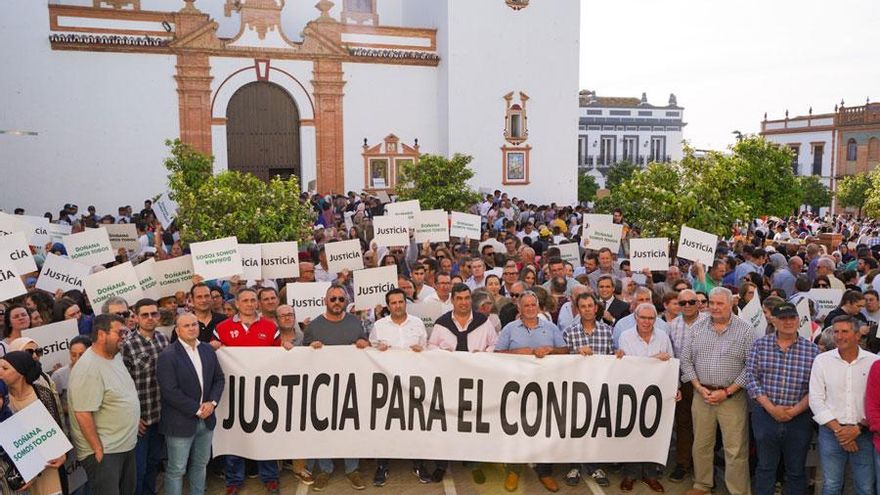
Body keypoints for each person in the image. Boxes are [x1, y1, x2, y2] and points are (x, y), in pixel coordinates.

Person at [680, 287, 754, 495]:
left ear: (731, 304)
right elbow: (685, 360)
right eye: (711, 303)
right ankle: (702, 485)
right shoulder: (697, 327)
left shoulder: (746, 330)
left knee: (735, 449)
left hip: (732, 397)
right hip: (701, 395)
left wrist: (728, 391)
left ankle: (738, 490)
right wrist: (698, 387)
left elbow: (752, 367)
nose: (714, 307)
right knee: (701, 444)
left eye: (720, 303)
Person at [495, 291, 568, 493]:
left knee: (545, 430)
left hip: (546, 389)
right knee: (516, 430)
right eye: (525, 305)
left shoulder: (550, 327)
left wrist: (551, 350)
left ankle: (545, 472)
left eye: (533, 305)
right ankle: (514, 470)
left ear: (538, 307)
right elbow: (496, 355)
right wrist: (517, 353)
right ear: (519, 308)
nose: (529, 309)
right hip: (516, 389)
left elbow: (565, 351)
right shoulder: (509, 329)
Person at [212, 288, 281, 494]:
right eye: (245, 300)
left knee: (265, 433)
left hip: (264, 392)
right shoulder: (222, 328)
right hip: (234, 393)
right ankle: (234, 480)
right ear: (237, 304)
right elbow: (213, 360)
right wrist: (212, 347)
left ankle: (270, 477)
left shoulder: (270, 327)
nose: (250, 304)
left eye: (253, 300)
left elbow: (281, 359)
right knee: (235, 435)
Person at [427, 283, 497, 484]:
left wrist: (484, 355)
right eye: (460, 298)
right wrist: (442, 354)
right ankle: (442, 464)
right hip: (449, 381)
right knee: (446, 421)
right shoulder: (441, 323)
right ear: (452, 300)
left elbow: (494, 343)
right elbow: (431, 346)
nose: (464, 302)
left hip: (476, 380)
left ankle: (473, 462)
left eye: (467, 298)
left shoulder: (483, 322)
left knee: (473, 421)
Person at [746, 302, 818, 495]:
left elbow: (816, 388)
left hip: (799, 418)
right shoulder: (760, 345)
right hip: (765, 416)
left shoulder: (812, 350)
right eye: (783, 318)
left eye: (792, 318)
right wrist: (771, 408)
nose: (788, 322)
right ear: (774, 321)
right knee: (765, 467)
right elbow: (751, 378)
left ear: (798, 320)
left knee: (796, 471)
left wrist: (794, 411)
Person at [303, 284, 369, 491]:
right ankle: (325, 469)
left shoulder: (355, 322)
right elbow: (303, 356)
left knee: (351, 427)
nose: (337, 303)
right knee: (324, 428)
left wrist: (362, 342)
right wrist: (310, 349)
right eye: (333, 299)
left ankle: (352, 469)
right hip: (322, 389)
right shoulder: (314, 326)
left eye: (341, 299)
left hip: (351, 386)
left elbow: (365, 345)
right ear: (325, 301)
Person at [68, 314, 140, 495]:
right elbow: (83, 413)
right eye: (120, 332)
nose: (124, 337)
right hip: (106, 452)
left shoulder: (114, 356)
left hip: (123, 445)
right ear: (101, 334)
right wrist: (98, 450)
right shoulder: (88, 368)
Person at [809, 315, 879, 495]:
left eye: (845, 331)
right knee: (831, 485)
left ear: (857, 336)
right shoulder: (822, 361)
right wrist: (840, 432)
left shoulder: (873, 362)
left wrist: (857, 429)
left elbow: (875, 401)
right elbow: (816, 399)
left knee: (865, 487)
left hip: (863, 433)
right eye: (836, 332)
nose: (839, 336)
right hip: (831, 432)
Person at [156, 313, 225, 495]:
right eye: (186, 326)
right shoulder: (168, 355)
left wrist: (212, 403)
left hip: (207, 419)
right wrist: (196, 409)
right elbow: (170, 391)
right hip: (180, 422)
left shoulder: (207, 350)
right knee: (177, 469)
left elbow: (219, 379)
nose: (192, 328)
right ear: (177, 330)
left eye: (194, 324)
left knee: (201, 464)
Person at [369, 289, 428, 487]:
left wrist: (422, 351)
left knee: (414, 423)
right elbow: (370, 353)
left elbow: (427, 351)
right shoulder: (379, 326)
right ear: (388, 306)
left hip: (413, 383)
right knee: (385, 424)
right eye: (393, 303)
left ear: (405, 303)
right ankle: (382, 464)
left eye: (400, 302)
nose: (397, 306)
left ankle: (418, 462)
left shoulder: (418, 323)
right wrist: (377, 350)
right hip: (387, 383)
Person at [617, 303, 674, 493]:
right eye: (643, 318)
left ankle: (651, 474)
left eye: (651, 318)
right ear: (635, 317)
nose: (647, 322)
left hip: (656, 394)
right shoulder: (625, 337)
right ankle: (630, 474)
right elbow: (630, 366)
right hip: (632, 394)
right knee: (632, 433)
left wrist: (675, 387)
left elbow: (670, 364)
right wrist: (655, 359)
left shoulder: (663, 336)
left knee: (653, 433)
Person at [560, 292, 615, 487]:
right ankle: (574, 465)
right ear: (578, 309)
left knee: (595, 428)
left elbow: (612, 360)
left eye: (590, 305)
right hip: (576, 389)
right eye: (583, 306)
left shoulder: (608, 331)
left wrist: (619, 355)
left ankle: (594, 466)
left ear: (596, 307)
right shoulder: (569, 332)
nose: (587, 309)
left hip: (599, 388)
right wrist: (576, 354)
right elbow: (561, 362)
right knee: (575, 427)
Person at [120, 299, 169, 495]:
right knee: (137, 470)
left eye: (154, 314)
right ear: (136, 317)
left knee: (153, 465)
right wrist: (132, 417)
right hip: (139, 420)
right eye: (145, 315)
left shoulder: (164, 339)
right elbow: (122, 387)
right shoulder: (127, 345)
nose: (150, 318)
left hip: (161, 416)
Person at [0, 351, 67, 495]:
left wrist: (62, 452)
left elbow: (56, 423)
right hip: (19, 471)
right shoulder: (3, 400)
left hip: (48, 466)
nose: (0, 372)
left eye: (5, 368)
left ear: (21, 371)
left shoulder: (41, 393)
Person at [666, 289, 707, 482]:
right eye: (683, 303)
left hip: (705, 380)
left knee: (705, 426)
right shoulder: (672, 326)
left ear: (699, 303)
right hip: (683, 381)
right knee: (683, 424)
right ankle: (683, 464)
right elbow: (670, 354)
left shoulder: (709, 323)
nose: (688, 306)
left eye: (692, 302)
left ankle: (704, 469)